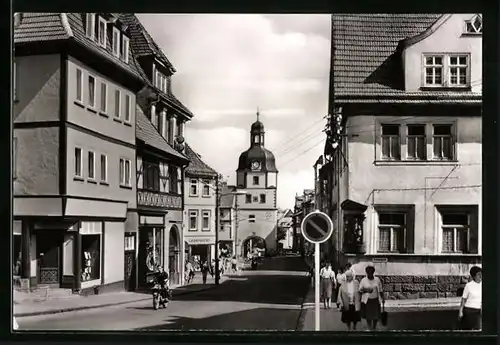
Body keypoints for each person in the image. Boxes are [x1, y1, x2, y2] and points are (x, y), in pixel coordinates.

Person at [359, 263, 384, 330]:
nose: (370, 273)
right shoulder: (363, 280)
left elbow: (381, 289)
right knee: (368, 316)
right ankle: (370, 327)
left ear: (373, 272)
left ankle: (374, 327)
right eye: (368, 272)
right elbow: (360, 290)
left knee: (376, 316)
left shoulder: (377, 279)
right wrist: (366, 290)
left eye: (371, 272)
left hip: (375, 300)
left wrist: (382, 298)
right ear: (366, 272)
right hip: (367, 301)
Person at [459, 266, 482, 330]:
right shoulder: (468, 285)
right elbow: (463, 299)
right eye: (478, 274)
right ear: (473, 276)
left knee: (479, 328)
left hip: (479, 311)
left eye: (481, 274)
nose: (480, 276)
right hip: (469, 311)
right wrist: (460, 311)